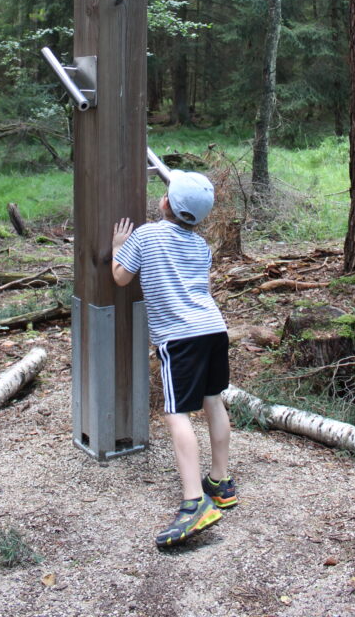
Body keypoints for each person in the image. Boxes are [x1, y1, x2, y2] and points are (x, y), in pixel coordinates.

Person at [111, 170, 237, 548]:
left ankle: (194, 503)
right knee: (213, 399)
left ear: (165, 202)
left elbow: (120, 277)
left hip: (179, 338)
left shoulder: (145, 235)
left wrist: (119, 246)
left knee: (176, 412)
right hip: (213, 328)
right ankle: (220, 481)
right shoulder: (201, 247)